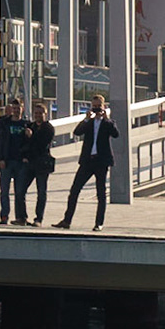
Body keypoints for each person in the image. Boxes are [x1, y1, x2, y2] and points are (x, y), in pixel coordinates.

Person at [55, 93, 118, 231]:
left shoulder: (108, 123)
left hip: (101, 162)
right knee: (75, 190)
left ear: (104, 107)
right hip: (87, 161)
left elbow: (115, 134)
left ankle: (98, 223)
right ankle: (67, 220)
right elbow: (77, 132)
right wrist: (86, 119)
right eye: (94, 106)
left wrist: (106, 118)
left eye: (98, 107)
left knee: (101, 193)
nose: (96, 109)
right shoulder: (88, 122)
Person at [0, 98, 33, 225]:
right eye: (14, 108)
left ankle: (21, 217)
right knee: (4, 191)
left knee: (20, 192)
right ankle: (4, 215)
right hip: (6, 162)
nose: (16, 110)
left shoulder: (26, 125)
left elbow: (32, 144)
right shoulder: (5, 124)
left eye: (18, 108)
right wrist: (0, 158)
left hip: (20, 162)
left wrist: (29, 138)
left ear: (22, 109)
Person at [24, 102, 56, 226]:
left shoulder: (48, 128)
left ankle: (39, 219)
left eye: (40, 113)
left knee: (41, 191)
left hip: (42, 163)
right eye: (35, 113)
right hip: (30, 163)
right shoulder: (30, 126)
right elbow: (24, 143)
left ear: (45, 114)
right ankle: (22, 217)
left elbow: (41, 144)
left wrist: (31, 137)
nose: (37, 115)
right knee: (21, 189)